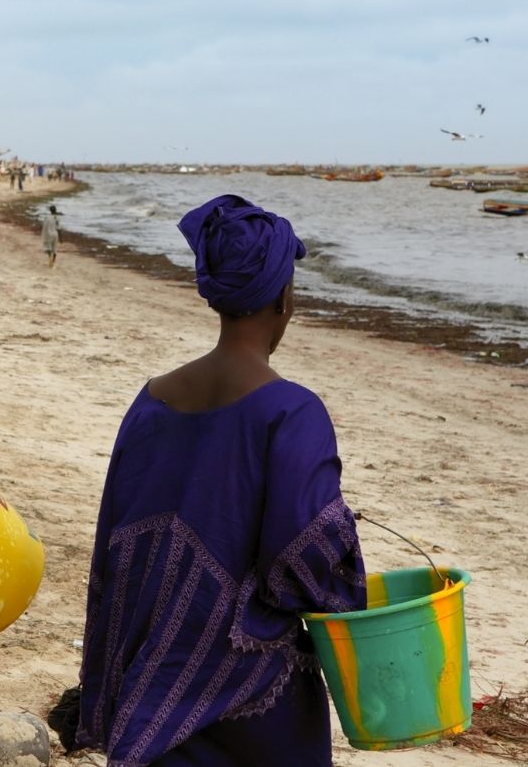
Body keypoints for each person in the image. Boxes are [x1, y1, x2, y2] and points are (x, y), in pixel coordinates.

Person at [69, 194, 365, 765]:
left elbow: (116, 548)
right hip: (249, 700)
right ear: (284, 298)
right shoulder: (292, 413)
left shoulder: (150, 402)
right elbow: (306, 565)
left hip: (151, 683)